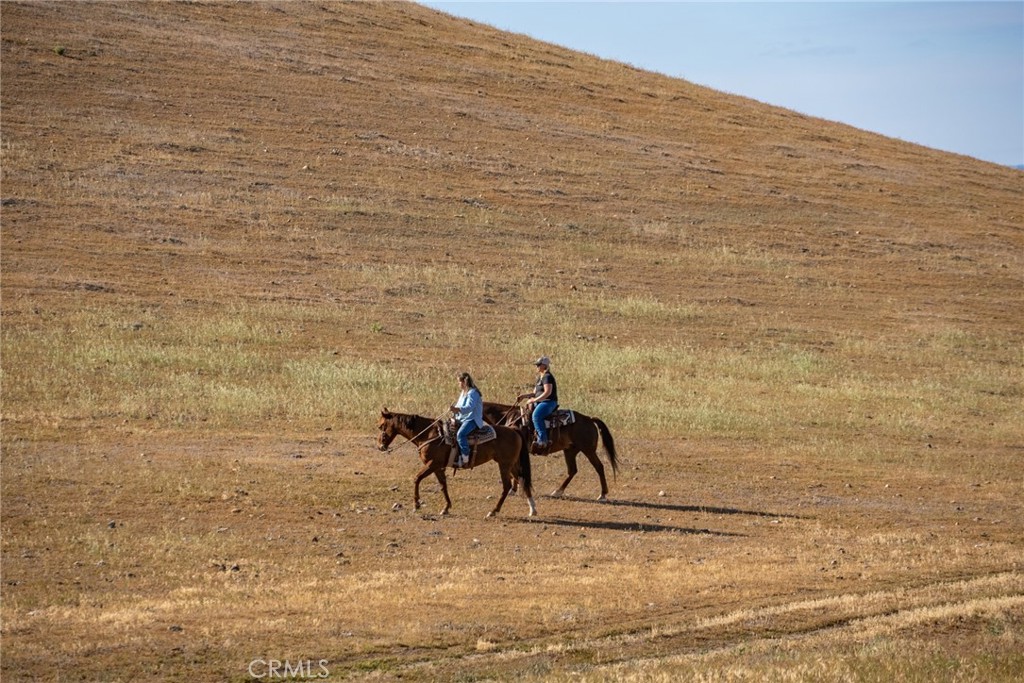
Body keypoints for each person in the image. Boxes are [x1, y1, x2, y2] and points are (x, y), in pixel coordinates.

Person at [517, 356, 558, 450]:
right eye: (537, 365)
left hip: (549, 402)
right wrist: (524, 396)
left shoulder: (547, 377)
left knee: (536, 416)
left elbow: (548, 392)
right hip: (540, 402)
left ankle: (543, 440)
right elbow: (534, 393)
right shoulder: (540, 377)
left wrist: (534, 400)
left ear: (544, 366)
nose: (537, 367)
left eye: (538, 365)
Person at [451, 372, 484, 468]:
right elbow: (459, 405)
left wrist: (457, 410)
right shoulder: (463, 393)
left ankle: (466, 458)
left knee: (460, 434)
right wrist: (454, 411)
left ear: (464, 382)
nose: (458, 384)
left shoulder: (473, 393)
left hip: (472, 419)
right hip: (463, 418)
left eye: (459, 382)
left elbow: (469, 407)